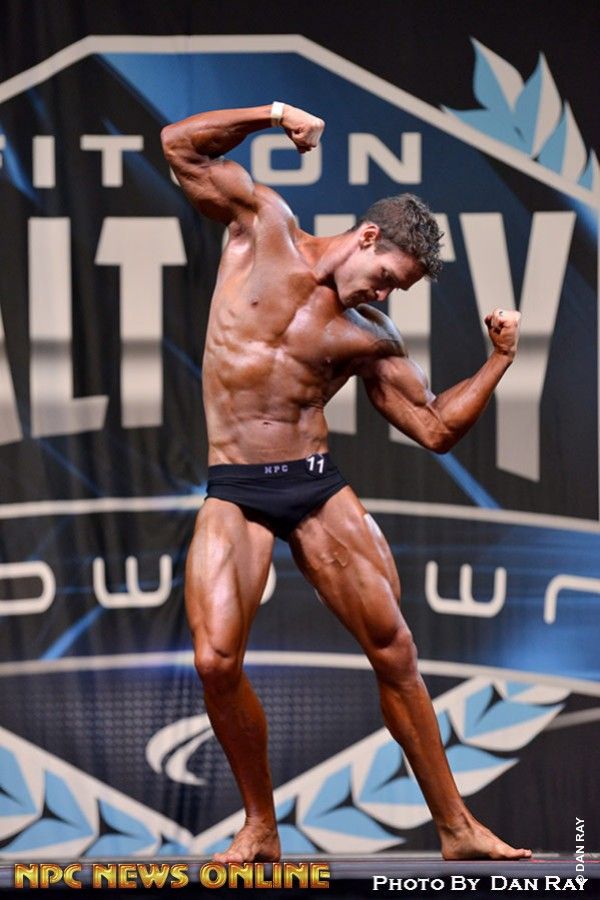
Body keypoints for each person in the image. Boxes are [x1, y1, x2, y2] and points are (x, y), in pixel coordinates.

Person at [161, 101, 529, 863]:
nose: (384, 296)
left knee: (395, 651)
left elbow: (434, 428)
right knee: (214, 660)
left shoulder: (371, 336)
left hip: (315, 487)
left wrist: (498, 361)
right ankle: (261, 827)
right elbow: (179, 146)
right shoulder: (263, 226)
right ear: (367, 238)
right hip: (236, 487)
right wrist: (273, 116)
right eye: (388, 277)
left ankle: (457, 827)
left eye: (398, 291)